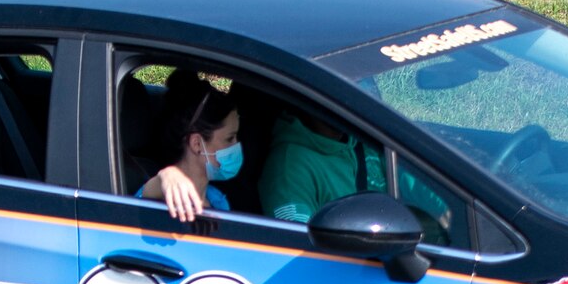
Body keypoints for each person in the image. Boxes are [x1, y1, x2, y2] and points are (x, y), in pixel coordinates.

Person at [260, 109, 453, 237]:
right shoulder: (289, 167)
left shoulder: (363, 139)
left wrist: (449, 207)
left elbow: (419, 182)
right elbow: (299, 247)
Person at [137, 71, 242, 224]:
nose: (236, 146)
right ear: (197, 144)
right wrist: (167, 175)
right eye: (229, 138)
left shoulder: (217, 199)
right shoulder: (162, 192)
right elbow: (155, 190)